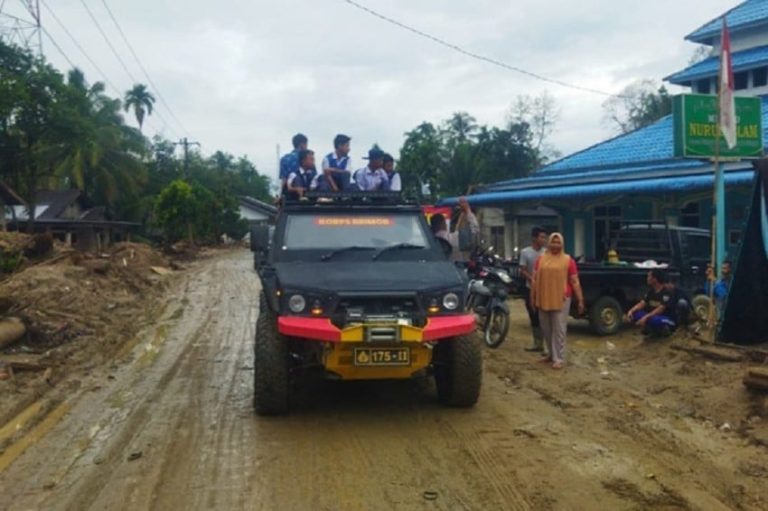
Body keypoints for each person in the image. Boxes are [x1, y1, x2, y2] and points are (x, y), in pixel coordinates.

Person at [530, 233, 585, 369]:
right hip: (544, 296)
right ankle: (550, 354)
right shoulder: (540, 260)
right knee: (546, 327)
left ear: (562, 244)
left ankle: (559, 358)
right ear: (549, 243)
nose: (555, 245)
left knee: (559, 328)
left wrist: (580, 299)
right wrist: (532, 296)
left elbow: (574, 281)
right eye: (553, 242)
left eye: (558, 242)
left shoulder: (568, 260)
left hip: (562, 298)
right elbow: (534, 279)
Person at [520, 227, 548, 353]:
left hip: (544, 289)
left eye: (544, 237)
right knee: (533, 315)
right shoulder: (525, 252)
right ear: (534, 238)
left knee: (545, 316)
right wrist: (532, 279)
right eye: (541, 237)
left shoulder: (546, 253)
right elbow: (522, 269)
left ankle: (547, 345)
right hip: (530, 288)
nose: (544, 240)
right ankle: (538, 343)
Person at [625, 269, 677, 337]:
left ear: (655, 279)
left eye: (649, 276)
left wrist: (646, 317)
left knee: (655, 320)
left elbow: (661, 309)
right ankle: (652, 329)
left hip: (666, 318)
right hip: (652, 316)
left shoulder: (666, 293)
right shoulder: (650, 292)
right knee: (636, 314)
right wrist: (631, 311)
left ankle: (665, 329)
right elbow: (642, 303)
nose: (647, 279)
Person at [429, 197, 479, 261]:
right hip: (455, 269)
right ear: (443, 224)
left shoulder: (428, 243)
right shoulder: (454, 238)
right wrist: (468, 210)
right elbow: (475, 230)